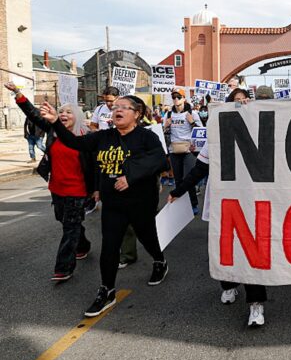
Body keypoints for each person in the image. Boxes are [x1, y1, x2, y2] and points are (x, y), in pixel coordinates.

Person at [39, 95, 170, 317]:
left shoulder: (146, 137)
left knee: (147, 236)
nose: (117, 110)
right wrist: (55, 123)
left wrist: (130, 176)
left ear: (137, 114)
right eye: (115, 107)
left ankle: (160, 261)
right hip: (113, 202)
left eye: (123, 108)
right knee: (110, 245)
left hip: (140, 200)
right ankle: (107, 290)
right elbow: (75, 143)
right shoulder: (104, 137)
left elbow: (158, 159)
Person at [168, 87, 270, 327]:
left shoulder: (262, 134)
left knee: (250, 252)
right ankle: (229, 285)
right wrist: (178, 190)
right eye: (236, 102)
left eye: (245, 101)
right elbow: (199, 170)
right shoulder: (217, 136)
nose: (241, 105)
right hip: (224, 205)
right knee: (225, 250)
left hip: (251, 203)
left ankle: (256, 304)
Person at [6, 82, 95, 281]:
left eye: (69, 113)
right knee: (65, 221)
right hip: (56, 188)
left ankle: (64, 267)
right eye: (61, 112)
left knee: (69, 228)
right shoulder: (53, 131)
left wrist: (96, 189)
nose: (64, 115)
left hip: (78, 190)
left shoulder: (88, 137)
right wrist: (18, 93)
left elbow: (95, 166)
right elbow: (33, 114)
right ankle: (83, 245)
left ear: (78, 116)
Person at [164, 88, 202, 215]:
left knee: (188, 179)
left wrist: (192, 122)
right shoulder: (169, 114)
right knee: (178, 180)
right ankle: (181, 205)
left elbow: (201, 132)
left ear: (184, 99)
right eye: (174, 97)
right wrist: (165, 126)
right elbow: (164, 133)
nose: (176, 99)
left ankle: (193, 203)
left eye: (178, 97)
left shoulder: (192, 113)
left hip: (188, 150)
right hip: (174, 149)